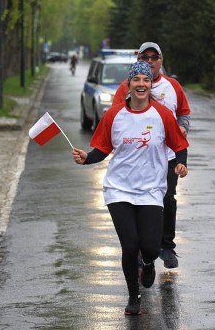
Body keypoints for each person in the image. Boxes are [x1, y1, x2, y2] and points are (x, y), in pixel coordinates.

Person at [72, 61, 189, 316]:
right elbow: (102, 149)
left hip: (150, 189)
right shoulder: (114, 115)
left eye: (145, 80)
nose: (141, 84)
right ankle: (133, 296)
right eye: (136, 79)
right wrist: (86, 158)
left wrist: (180, 164)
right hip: (119, 189)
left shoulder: (161, 115)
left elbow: (179, 145)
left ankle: (148, 264)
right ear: (128, 84)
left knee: (149, 246)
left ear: (150, 84)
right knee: (130, 244)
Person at [113, 42, 191, 270]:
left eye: (153, 57)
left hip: (166, 156)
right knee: (136, 201)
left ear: (161, 61)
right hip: (137, 157)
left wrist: (183, 128)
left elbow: (184, 113)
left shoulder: (173, 86)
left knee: (166, 199)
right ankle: (140, 249)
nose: (149, 61)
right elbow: (116, 117)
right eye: (144, 57)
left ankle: (166, 246)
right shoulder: (125, 88)